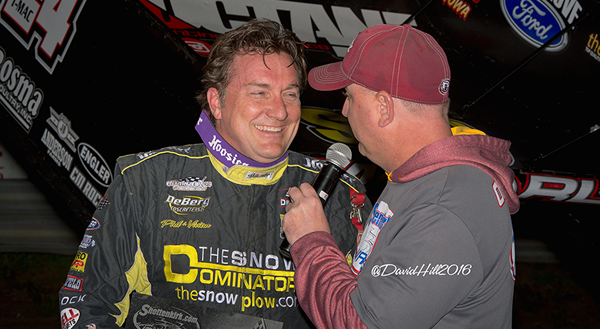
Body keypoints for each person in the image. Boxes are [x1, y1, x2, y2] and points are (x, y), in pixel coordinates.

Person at [59, 18, 370, 328]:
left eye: (290, 94)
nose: (280, 112)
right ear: (216, 102)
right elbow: (87, 307)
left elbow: (370, 315)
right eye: (259, 93)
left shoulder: (341, 195)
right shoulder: (144, 181)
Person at [283, 24, 519, 329]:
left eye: (349, 97)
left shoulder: (444, 206)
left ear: (383, 107)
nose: (343, 110)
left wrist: (310, 240)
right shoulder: (424, 178)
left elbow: (359, 324)